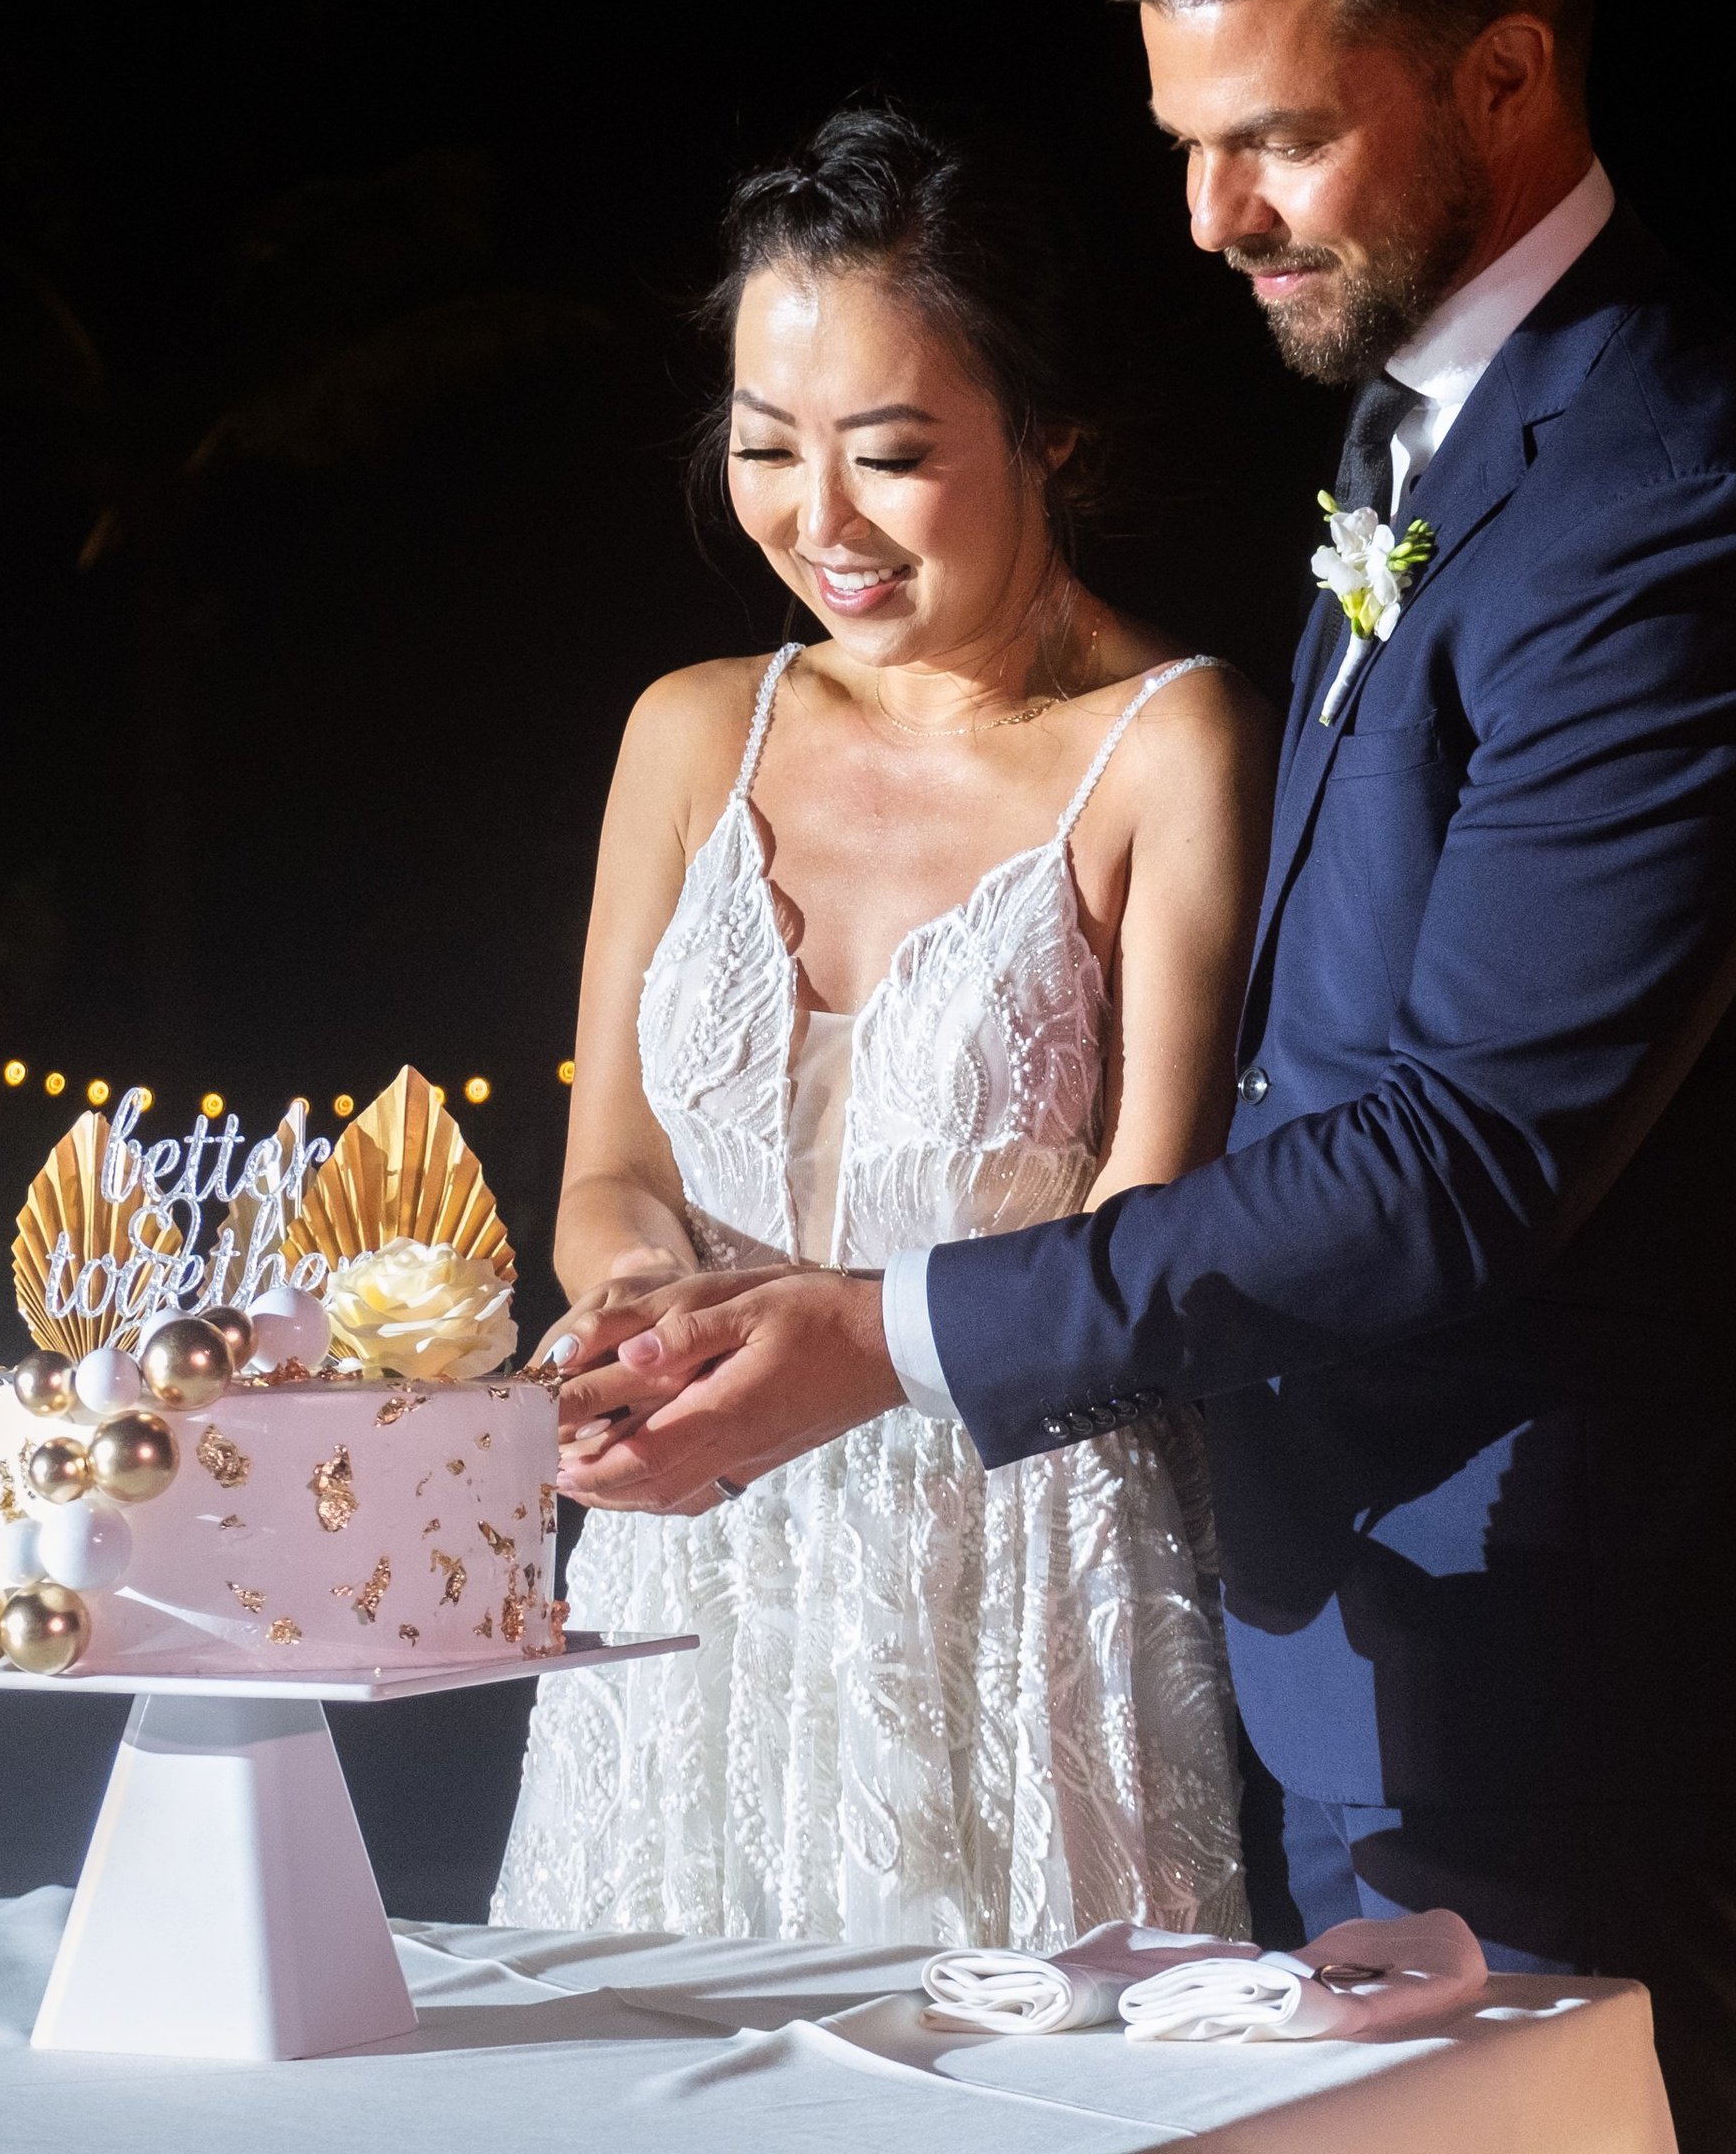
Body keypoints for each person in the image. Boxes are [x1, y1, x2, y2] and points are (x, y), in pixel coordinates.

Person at [549, 0, 1736, 2154]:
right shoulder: (1441, 430)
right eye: (1182, 141)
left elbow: (1459, 1154)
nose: (1206, 217)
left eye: (1272, 136)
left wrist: (885, 1329)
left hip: (1551, 1620)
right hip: (1335, 1592)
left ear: (1502, 73)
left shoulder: (1671, 507)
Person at [492, 107, 1272, 1947]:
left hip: (1011, 1575)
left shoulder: (1174, 743)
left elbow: (1157, 1232)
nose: (817, 520)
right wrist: (632, 1308)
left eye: (893, 456)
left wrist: (851, 1344)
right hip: (692, 1558)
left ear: (1050, 433)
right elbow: (610, 1168)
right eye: (767, 449)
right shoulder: (690, 730)